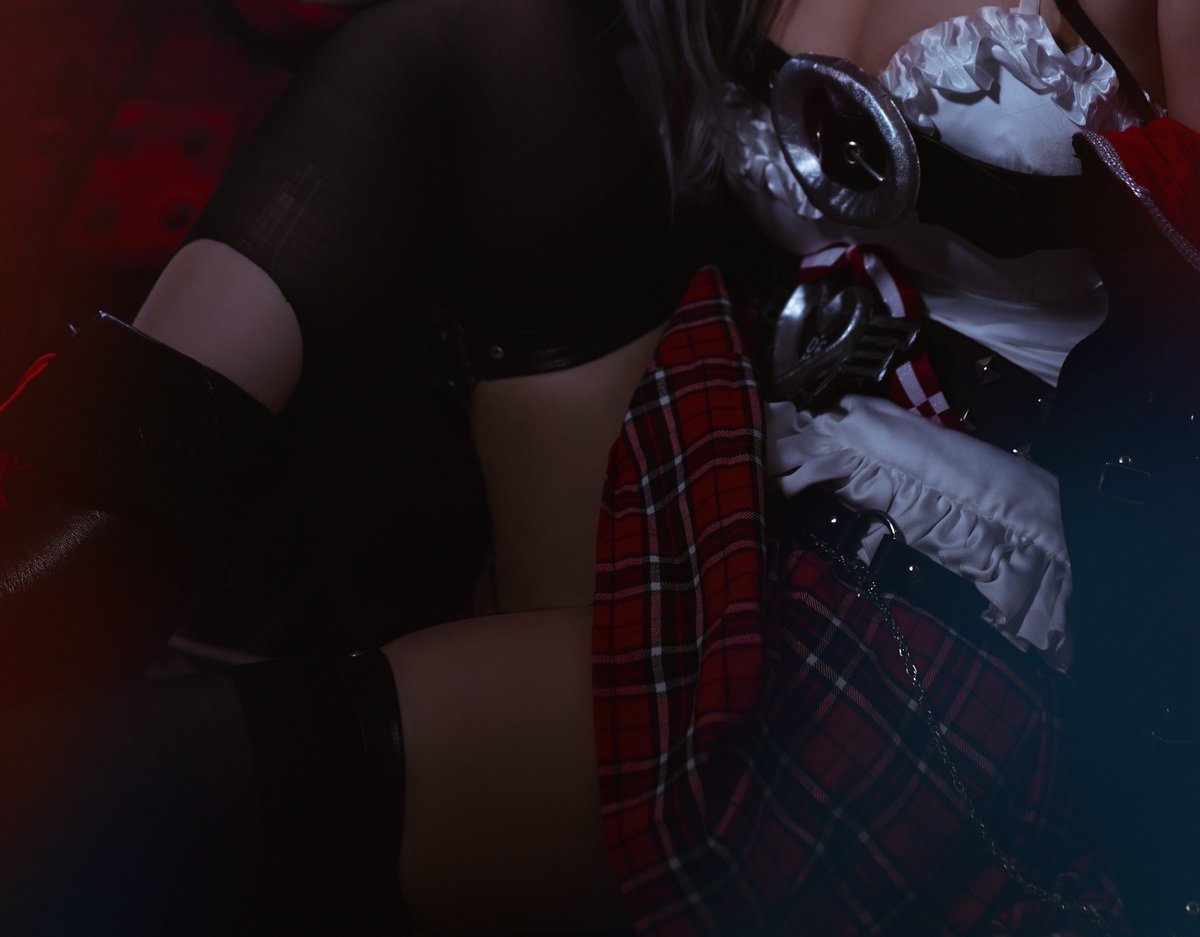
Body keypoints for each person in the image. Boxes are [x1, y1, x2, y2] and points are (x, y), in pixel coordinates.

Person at [0, 1, 1197, 935]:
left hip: (957, 619)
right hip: (732, 458)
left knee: (123, 788)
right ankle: (43, 592)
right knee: (465, 32)